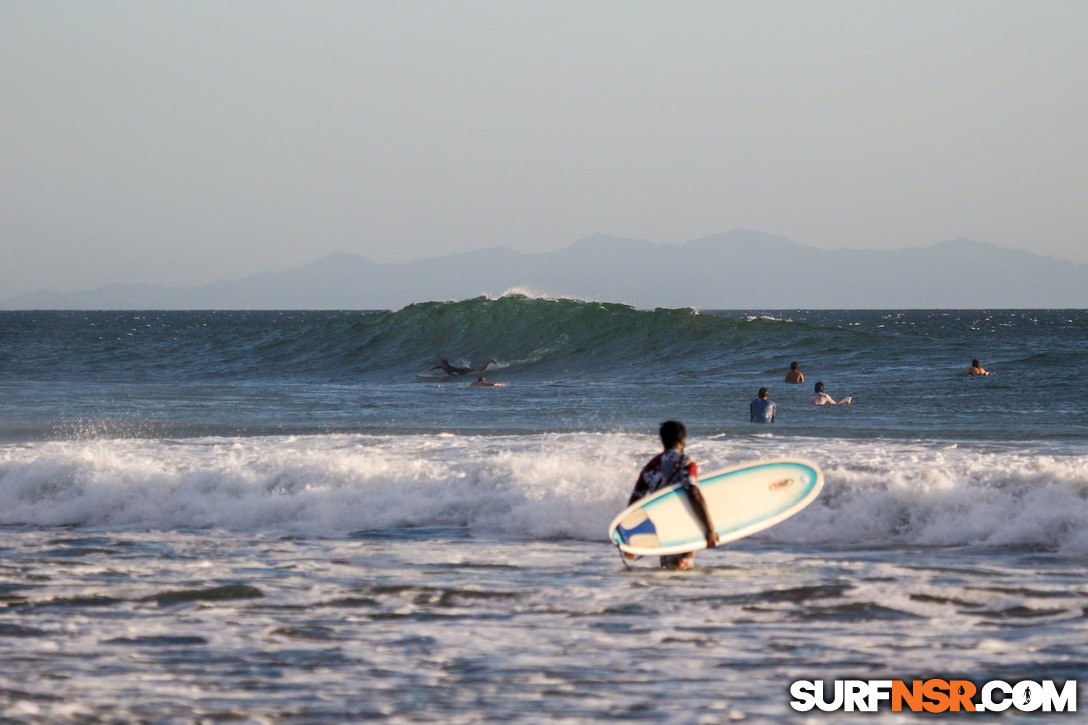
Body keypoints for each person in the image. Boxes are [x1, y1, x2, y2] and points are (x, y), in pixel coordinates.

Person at [627, 421, 720, 570]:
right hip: (683, 524)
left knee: (667, 569)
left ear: (662, 440)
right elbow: (693, 493)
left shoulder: (650, 466)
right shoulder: (685, 462)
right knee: (682, 571)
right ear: (682, 440)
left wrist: (629, 539)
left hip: (661, 526)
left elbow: (634, 502)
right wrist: (709, 528)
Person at [431, 358, 497, 376]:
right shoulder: (443, 366)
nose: (441, 366)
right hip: (462, 369)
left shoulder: (450, 368)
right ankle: (487, 362)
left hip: (464, 371)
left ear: (445, 365)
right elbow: (438, 367)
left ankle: (489, 361)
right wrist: (432, 369)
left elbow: (455, 373)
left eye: (442, 364)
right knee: (477, 369)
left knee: (480, 370)